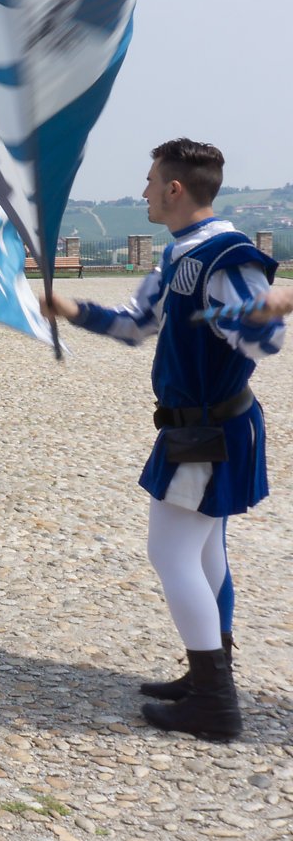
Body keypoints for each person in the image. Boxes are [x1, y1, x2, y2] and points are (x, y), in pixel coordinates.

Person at [44, 139, 283, 742]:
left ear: (175, 188)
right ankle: (207, 676)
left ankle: (215, 704)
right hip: (201, 429)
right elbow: (136, 324)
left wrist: (261, 315)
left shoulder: (227, 256)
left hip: (209, 431)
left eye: (150, 180)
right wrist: (71, 309)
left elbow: (262, 342)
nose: (144, 190)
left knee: (172, 554)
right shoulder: (181, 254)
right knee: (204, 555)